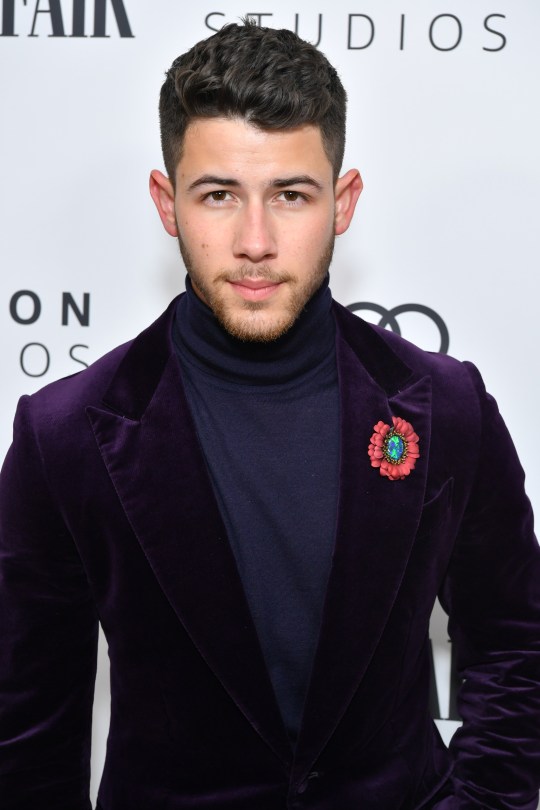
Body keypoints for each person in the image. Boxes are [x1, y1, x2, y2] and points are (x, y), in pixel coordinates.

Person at [0, 19, 539, 810]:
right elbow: (28, 731)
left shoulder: (448, 406)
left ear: (342, 202)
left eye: (291, 194)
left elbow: (516, 642)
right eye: (219, 195)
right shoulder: (64, 436)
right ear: (167, 203)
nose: (255, 242)